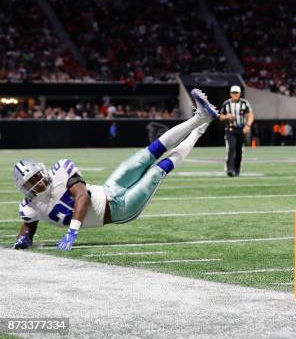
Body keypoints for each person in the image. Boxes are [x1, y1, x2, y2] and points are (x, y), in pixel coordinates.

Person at [12, 89, 218, 251]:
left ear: (42, 169)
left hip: (109, 188)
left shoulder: (60, 171)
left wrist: (72, 232)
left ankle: (200, 118)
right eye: (31, 182)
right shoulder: (30, 206)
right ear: (25, 188)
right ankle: (200, 128)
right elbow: (29, 224)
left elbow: (82, 197)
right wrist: (23, 238)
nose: (38, 181)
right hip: (120, 210)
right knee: (158, 169)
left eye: (37, 175)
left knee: (148, 153)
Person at [219, 85, 255, 177]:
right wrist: (227, 116)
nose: (235, 95)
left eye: (237, 93)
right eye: (233, 93)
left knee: (239, 151)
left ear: (239, 94)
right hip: (230, 129)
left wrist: (248, 125)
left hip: (241, 129)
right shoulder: (226, 103)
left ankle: (237, 169)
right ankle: (230, 169)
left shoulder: (244, 103)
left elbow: (250, 115)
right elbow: (221, 116)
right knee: (231, 148)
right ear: (231, 94)